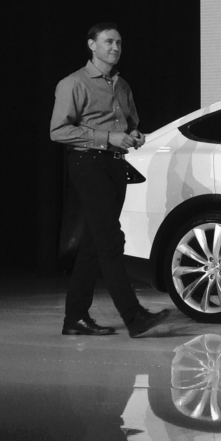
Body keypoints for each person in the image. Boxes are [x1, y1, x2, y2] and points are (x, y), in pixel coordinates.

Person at [50, 23, 171, 338]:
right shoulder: (73, 83)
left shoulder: (122, 84)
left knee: (94, 243)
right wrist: (107, 137)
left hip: (115, 165)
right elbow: (58, 131)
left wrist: (134, 135)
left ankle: (75, 317)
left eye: (118, 43)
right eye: (108, 42)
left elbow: (130, 123)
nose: (115, 48)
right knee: (109, 238)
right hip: (87, 163)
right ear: (92, 45)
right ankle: (134, 315)